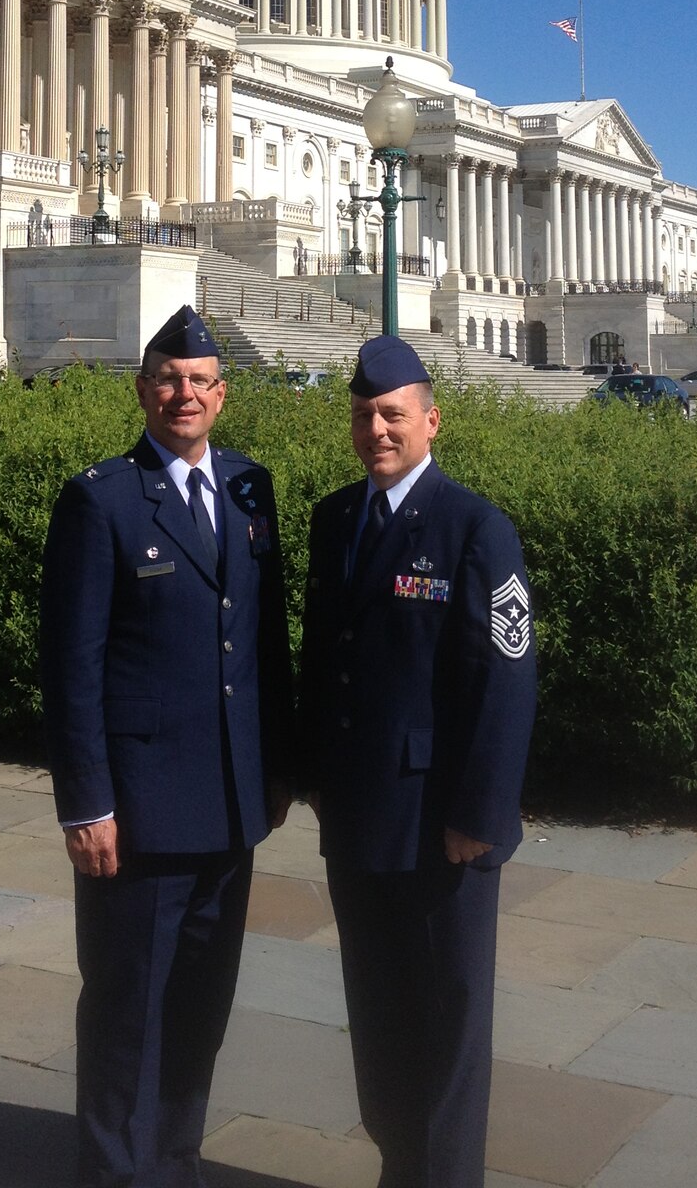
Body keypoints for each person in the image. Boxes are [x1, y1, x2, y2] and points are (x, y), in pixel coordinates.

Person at [41, 305, 293, 1188]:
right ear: (143, 391)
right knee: (126, 1008)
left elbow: (266, 649)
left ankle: (174, 1161)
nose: (183, 394)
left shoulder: (250, 490)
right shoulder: (102, 500)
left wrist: (275, 775)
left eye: (199, 382)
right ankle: (114, 1172)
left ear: (222, 397)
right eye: (168, 380)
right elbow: (72, 667)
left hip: (230, 803)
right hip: (140, 810)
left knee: (199, 1008)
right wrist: (88, 801)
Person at [297, 335, 538, 1188]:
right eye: (364, 415)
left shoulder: (476, 527)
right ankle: (402, 1167)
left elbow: (506, 682)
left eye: (393, 414)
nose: (377, 430)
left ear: (431, 421)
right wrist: (313, 774)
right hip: (359, 814)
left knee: (447, 1024)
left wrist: (482, 814)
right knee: (381, 1013)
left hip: (443, 822)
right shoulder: (337, 519)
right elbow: (327, 657)